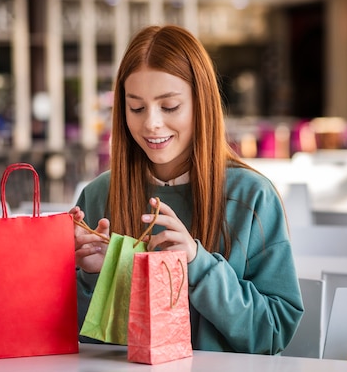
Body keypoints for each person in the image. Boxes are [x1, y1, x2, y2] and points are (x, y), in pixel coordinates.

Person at [70, 24, 303, 354]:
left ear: (201, 104)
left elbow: (273, 333)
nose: (150, 123)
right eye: (136, 107)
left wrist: (196, 263)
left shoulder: (251, 197)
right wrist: (93, 277)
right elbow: (84, 345)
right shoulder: (99, 195)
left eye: (169, 107)